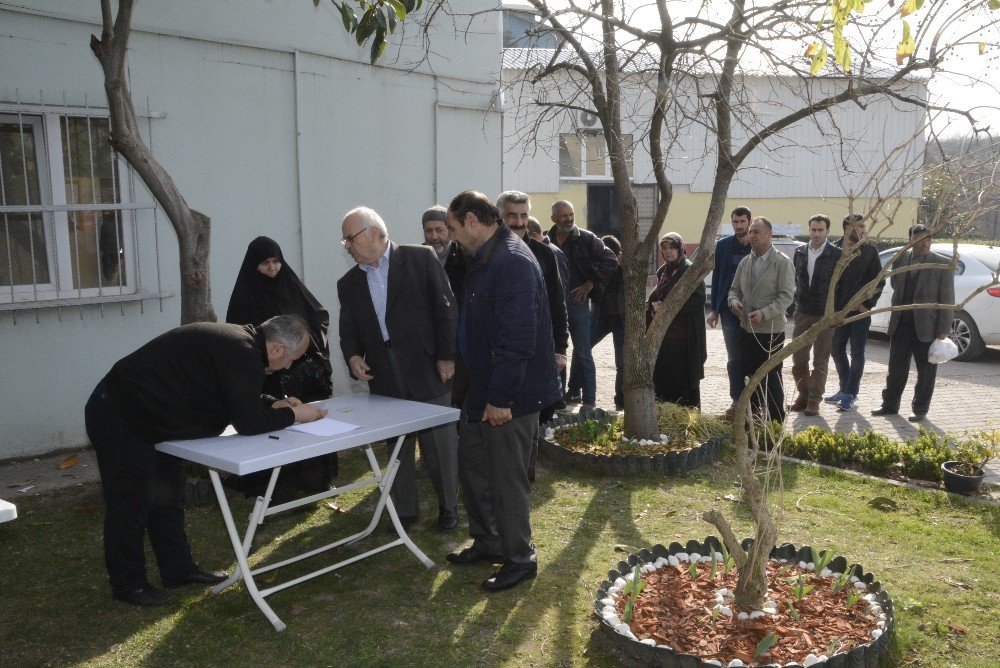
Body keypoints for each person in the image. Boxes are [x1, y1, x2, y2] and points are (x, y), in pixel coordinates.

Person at [84, 315, 327, 607]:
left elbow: (235, 393)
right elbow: (248, 422)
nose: (289, 366)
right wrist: (293, 416)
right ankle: (129, 584)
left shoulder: (242, 345)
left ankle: (178, 570)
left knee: (167, 498)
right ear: (276, 349)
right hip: (120, 414)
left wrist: (270, 403)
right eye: (291, 359)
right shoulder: (241, 352)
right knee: (130, 502)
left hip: (154, 419)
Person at [443, 190, 561, 592]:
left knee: (507, 478)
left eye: (455, 228)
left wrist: (500, 400)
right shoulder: (481, 257)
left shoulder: (511, 262)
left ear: (473, 221)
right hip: (481, 388)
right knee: (473, 466)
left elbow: (518, 340)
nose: (453, 237)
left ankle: (519, 558)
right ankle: (489, 541)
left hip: (509, 395)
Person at [337, 207, 460, 532]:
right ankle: (404, 510)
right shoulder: (349, 282)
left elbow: (445, 308)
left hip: (427, 366)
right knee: (398, 444)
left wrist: (447, 356)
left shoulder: (419, 259)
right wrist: (352, 357)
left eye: (351, 239)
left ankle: (449, 506)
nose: (348, 246)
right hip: (385, 373)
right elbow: (347, 330)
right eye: (345, 241)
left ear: (374, 233)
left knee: (439, 443)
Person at [225, 236, 336, 501]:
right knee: (275, 428)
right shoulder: (245, 296)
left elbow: (318, 314)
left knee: (309, 424)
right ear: (254, 266)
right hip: (269, 380)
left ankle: (314, 482)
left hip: (304, 378)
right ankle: (275, 490)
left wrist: (307, 342)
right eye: (265, 263)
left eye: (276, 261)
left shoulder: (291, 285)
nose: (273, 268)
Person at [496, 190, 568, 424]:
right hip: (504, 352)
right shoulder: (489, 253)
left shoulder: (544, 254)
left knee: (538, 420)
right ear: (499, 217)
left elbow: (558, 305)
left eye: (523, 216)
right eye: (512, 216)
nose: (519, 222)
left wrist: (560, 349)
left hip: (540, 351)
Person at [872, 224, 954, 422]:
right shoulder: (900, 260)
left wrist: (943, 327)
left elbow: (947, 299)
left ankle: (920, 409)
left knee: (926, 372)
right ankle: (890, 405)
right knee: (896, 369)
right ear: (910, 240)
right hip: (901, 324)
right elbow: (895, 284)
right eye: (920, 240)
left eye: (928, 239)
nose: (925, 243)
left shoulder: (941, 264)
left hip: (927, 327)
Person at [547, 200, 618, 409]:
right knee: (556, 350)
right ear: (554, 219)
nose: (569, 219)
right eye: (564, 216)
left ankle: (589, 400)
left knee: (583, 351)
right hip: (554, 303)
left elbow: (611, 260)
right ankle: (559, 397)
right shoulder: (547, 239)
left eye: (571, 214)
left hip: (577, 302)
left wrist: (590, 284)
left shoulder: (585, 238)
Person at [728, 217, 795, 423]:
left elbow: (786, 297)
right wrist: (733, 303)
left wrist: (764, 313)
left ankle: (776, 421)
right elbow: (733, 290)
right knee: (749, 375)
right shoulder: (745, 262)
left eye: (757, 232)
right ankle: (754, 416)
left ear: (769, 235)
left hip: (771, 330)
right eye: (751, 232)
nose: (752, 235)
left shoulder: (782, 262)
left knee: (771, 376)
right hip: (747, 329)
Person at [827, 214, 885, 411]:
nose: (863, 230)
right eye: (859, 226)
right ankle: (844, 388)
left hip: (860, 312)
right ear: (847, 229)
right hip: (839, 313)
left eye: (864, 226)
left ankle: (851, 393)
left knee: (857, 352)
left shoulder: (869, 251)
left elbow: (879, 282)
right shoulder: (835, 249)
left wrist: (865, 306)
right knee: (836, 349)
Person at [789, 215, 842, 416]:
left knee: (820, 360)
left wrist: (837, 312)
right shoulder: (800, 252)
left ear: (828, 231)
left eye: (820, 230)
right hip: (803, 311)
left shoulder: (836, 254)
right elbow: (797, 279)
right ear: (809, 230)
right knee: (799, 359)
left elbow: (842, 285)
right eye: (813, 230)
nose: (817, 234)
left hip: (825, 314)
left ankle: (814, 400)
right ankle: (803, 395)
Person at [647, 233, 708, 408]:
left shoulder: (689, 270)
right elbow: (655, 297)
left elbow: (698, 300)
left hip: (685, 338)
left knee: (685, 383)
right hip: (665, 338)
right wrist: (654, 306)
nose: (668, 252)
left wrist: (669, 309)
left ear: (680, 248)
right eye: (664, 248)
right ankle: (667, 417)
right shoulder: (662, 271)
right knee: (665, 379)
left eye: (671, 247)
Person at [707, 206, 754, 416]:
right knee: (734, 357)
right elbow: (717, 278)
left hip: (754, 312)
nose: (739, 226)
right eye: (735, 222)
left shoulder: (757, 244)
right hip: (729, 312)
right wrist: (714, 310)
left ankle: (754, 403)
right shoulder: (723, 246)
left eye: (742, 222)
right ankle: (736, 401)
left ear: (750, 222)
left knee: (753, 356)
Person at [593, 235, 626, 410]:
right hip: (602, 319)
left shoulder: (626, 271)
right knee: (582, 350)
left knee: (622, 363)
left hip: (621, 321)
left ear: (620, 255)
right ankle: (575, 390)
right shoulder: (599, 270)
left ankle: (620, 401)